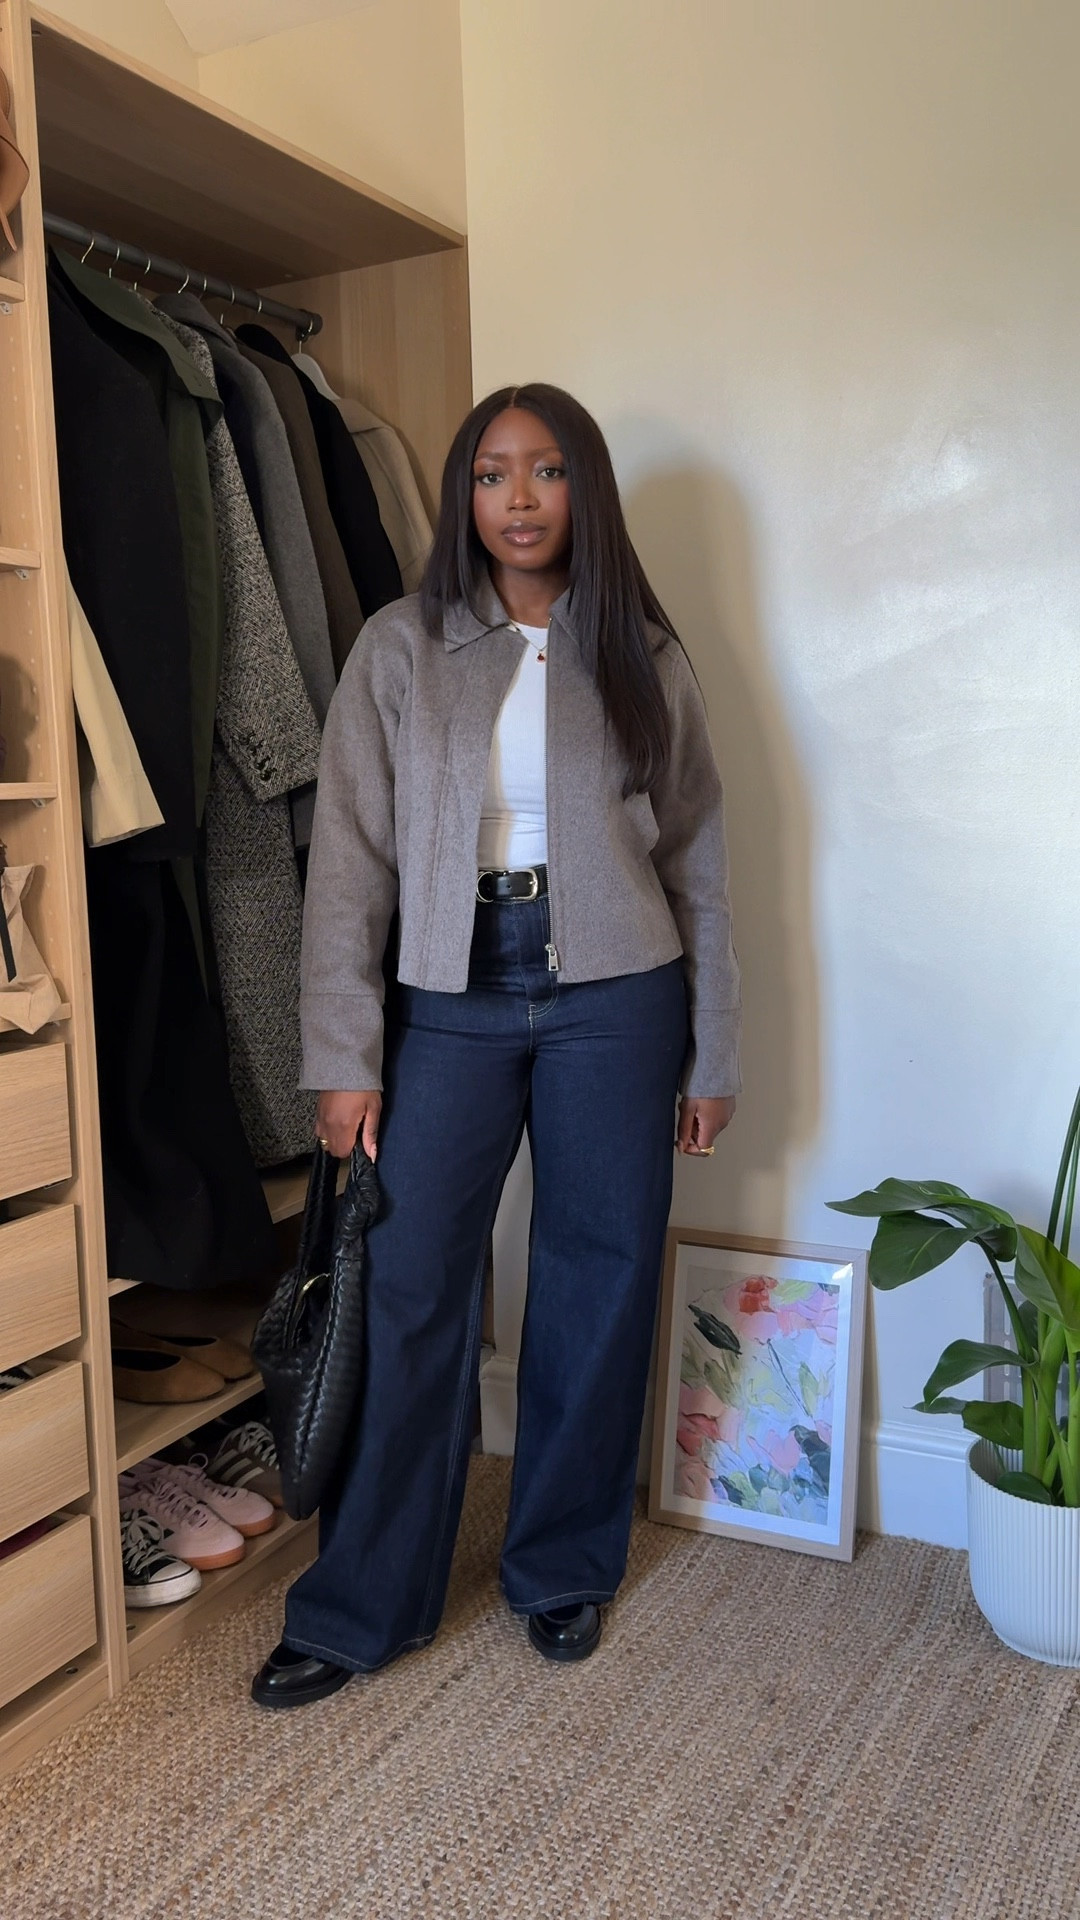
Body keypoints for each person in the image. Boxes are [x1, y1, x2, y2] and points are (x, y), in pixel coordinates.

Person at [252, 383, 741, 1709]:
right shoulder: (400, 647)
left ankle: (562, 1567)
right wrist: (343, 1054)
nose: (517, 498)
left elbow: (697, 864)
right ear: (464, 496)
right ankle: (359, 1605)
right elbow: (347, 861)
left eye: (546, 470)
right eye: (489, 473)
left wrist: (713, 1053)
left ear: (586, 490)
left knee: (598, 1279)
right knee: (410, 1290)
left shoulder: (642, 652)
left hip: (618, 998)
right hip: (447, 997)